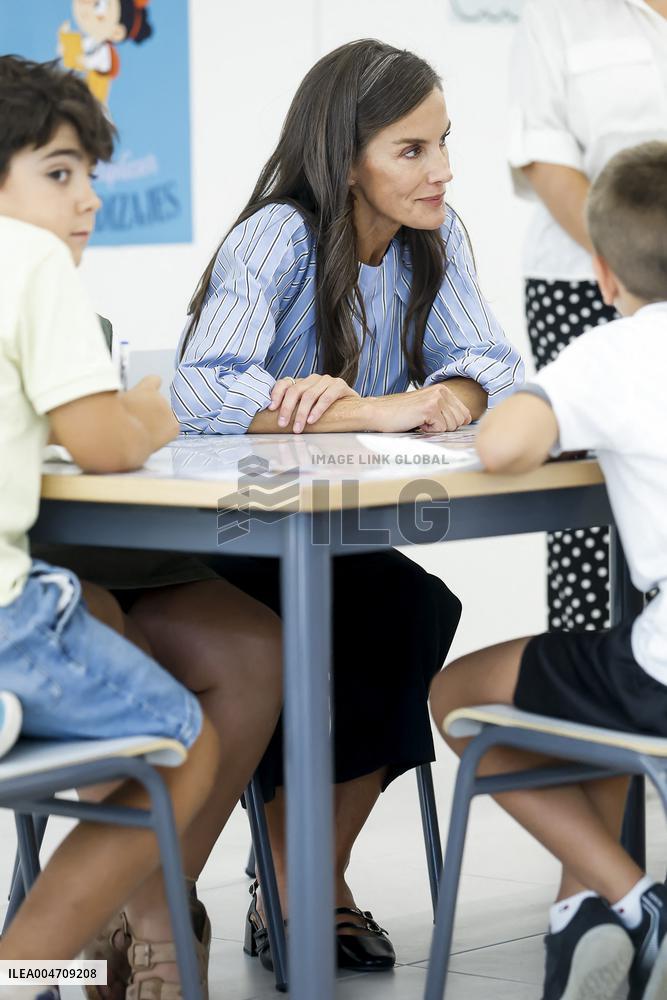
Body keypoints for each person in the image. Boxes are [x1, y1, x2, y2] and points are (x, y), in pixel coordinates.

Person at [172, 37, 524, 972]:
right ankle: (296, 889)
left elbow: (492, 364)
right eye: (411, 150)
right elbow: (200, 389)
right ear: (345, 156)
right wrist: (337, 408)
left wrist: (439, 398)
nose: (441, 170)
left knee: (410, 608)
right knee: (351, 617)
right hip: (236, 531)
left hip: (330, 534)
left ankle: (303, 884)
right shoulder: (277, 235)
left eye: (444, 141)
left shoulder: (432, 241)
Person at [0, 56, 282, 1000]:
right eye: (58, 172)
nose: (86, 201)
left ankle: (62, 958)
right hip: (9, 618)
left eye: (89, 176)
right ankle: (24, 969)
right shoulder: (29, 260)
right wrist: (156, 409)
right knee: (180, 743)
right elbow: (107, 444)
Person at [431, 140, 667, 1000]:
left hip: (661, 671)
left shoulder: (614, 354)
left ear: (603, 273)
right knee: (589, 671)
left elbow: (501, 447)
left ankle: (631, 897)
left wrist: (540, 398)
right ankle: (592, 915)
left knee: (457, 695)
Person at [509, 0, 667, 633]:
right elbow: (546, 159)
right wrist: (624, 260)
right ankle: (587, 677)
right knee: (581, 506)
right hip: (585, 276)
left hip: (618, 266)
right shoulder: (555, 16)